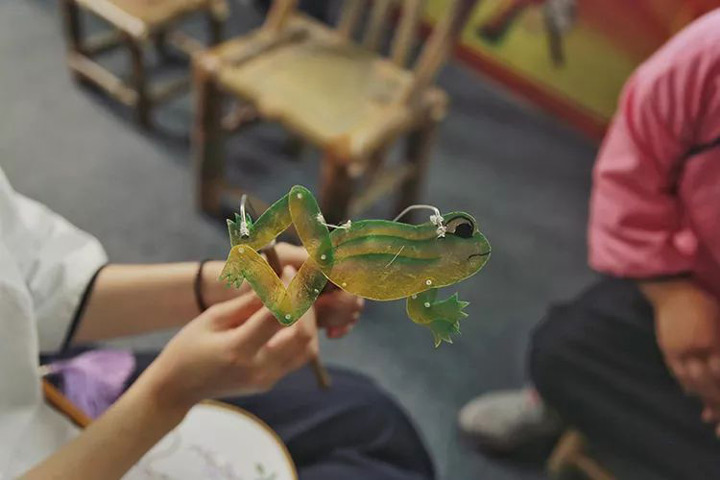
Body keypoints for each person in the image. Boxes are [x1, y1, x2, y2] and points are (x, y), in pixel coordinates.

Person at [0, 167, 435, 480]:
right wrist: (166, 398)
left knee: (371, 422)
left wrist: (223, 286)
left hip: (37, 387)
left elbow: (34, 283)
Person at [458, 8, 720, 478]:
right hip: (691, 282)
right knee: (562, 351)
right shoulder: (706, 55)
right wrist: (672, 295)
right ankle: (570, 405)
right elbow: (635, 164)